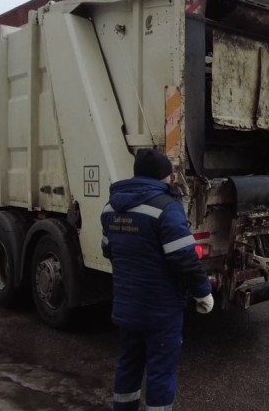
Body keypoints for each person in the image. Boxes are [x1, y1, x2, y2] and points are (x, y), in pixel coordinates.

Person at [101, 148, 214, 411]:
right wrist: (203, 291)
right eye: (171, 172)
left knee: (128, 364)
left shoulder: (111, 207)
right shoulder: (166, 208)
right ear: (164, 176)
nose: (174, 177)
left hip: (127, 305)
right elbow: (183, 258)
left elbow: (110, 251)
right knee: (161, 371)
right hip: (161, 309)